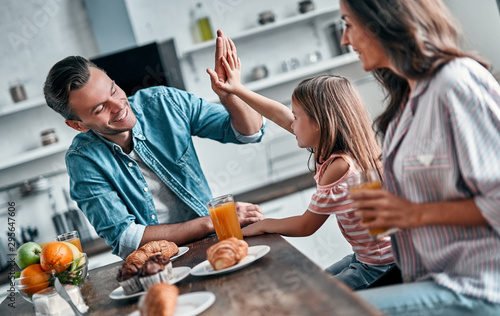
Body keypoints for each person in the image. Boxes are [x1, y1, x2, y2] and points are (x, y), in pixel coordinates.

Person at [43, 31, 265, 260]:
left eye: (113, 90)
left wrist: (231, 94)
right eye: (99, 109)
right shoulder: (83, 160)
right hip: (158, 264)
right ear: (78, 126)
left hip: (217, 243)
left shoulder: (163, 102)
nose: (118, 106)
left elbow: (250, 132)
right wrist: (211, 222)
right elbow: (126, 238)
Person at [339, 0, 500, 315]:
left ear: (380, 20)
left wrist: (412, 214)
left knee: (334, 310)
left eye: (348, 23)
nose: (346, 39)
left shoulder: (456, 82)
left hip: (479, 286)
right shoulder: (407, 103)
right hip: (431, 279)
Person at [208, 43, 395, 290]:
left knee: (315, 296)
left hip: (379, 267)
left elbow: (306, 226)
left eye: (297, 118)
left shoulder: (339, 166)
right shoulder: (348, 150)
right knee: (313, 284)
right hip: (371, 257)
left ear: (319, 124)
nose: (291, 124)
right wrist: (238, 90)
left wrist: (263, 224)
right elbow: (280, 115)